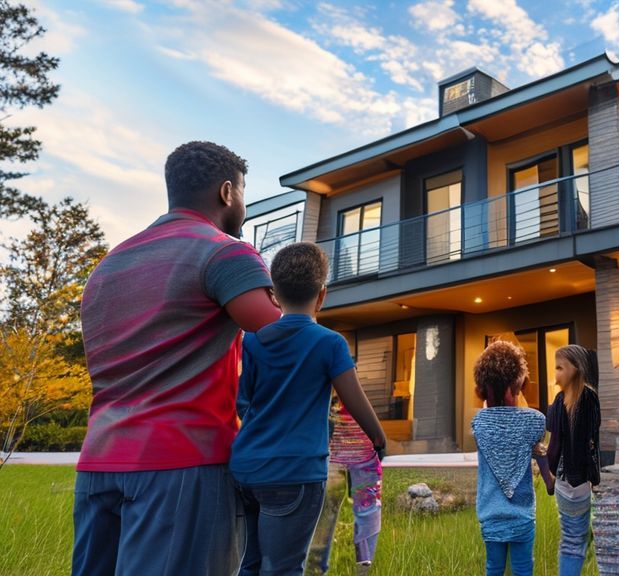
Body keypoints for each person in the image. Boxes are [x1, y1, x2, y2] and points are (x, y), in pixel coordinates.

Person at [73, 141, 281, 576]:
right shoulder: (224, 251)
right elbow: (283, 336)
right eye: (243, 192)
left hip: (97, 463)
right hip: (181, 465)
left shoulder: (108, 266)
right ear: (227, 192)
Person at [230, 242, 386, 576]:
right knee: (284, 567)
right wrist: (378, 438)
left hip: (247, 468)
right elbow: (353, 398)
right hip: (295, 472)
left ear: (275, 295)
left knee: (252, 562)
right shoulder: (329, 343)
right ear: (321, 296)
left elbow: (244, 401)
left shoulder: (253, 341)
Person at [471, 340, 555, 576]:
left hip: (490, 514)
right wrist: (549, 483)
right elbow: (540, 454)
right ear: (516, 386)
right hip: (522, 515)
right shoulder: (535, 421)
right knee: (523, 569)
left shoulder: (479, 424)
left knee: (494, 568)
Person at [306, 403, 384, 576]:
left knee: (328, 512)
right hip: (342, 441)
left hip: (338, 440)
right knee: (361, 510)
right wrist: (377, 436)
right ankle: (361, 568)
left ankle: (319, 570)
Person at [545, 344, 601, 576]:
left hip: (563, 481)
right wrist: (595, 479)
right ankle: (584, 539)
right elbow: (592, 442)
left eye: (560, 368)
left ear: (576, 369)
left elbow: (554, 442)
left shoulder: (559, 401)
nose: (556, 374)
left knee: (572, 536)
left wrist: (549, 473)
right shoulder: (589, 398)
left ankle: (584, 537)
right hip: (579, 482)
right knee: (573, 540)